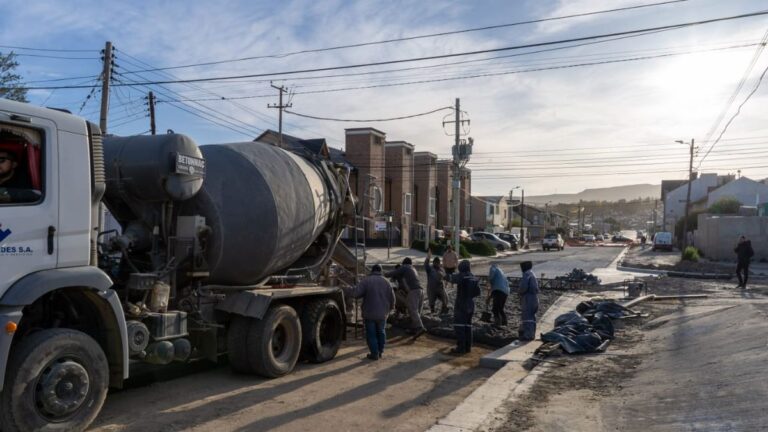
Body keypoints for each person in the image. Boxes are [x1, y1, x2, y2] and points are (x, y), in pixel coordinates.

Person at [345, 264, 396, 360]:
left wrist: (346, 289)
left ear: (372, 271)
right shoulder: (387, 282)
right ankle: (380, 351)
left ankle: (374, 353)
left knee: (371, 334)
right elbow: (393, 298)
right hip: (383, 314)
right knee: (381, 332)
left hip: (370, 313)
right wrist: (390, 309)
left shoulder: (366, 281)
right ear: (380, 271)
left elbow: (356, 293)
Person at [385, 257, 426, 336]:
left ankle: (420, 327)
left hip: (414, 291)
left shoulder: (405, 267)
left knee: (412, 310)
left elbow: (392, 273)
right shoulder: (413, 269)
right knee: (416, 312)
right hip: (421, 291)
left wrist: (383, 274)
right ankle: (414, 328)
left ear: (404, 263)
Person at [449, 260, 481, 354]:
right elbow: (478, 292)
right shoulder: (473, 277)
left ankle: (460, 347)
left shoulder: (462, 276)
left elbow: (451, 278)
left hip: (461, 304)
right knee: (468, 326)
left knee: (459, 325)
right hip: (471, 304)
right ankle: (468, 347)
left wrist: (443, 275)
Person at [518, 261, 540, 341]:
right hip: (534, 298)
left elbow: (523, 287)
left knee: (527, 317)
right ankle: (532, 334)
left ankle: (528, 335)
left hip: (528, 299)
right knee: (532, 317)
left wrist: (519, 292)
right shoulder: (532, 273)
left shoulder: (526, 274)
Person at [424, 249, 450, 315]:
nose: (437, 264)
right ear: (433, 263)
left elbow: (445, 277)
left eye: (438, 263)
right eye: (435, 262)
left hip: (440, 287)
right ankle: (432, 311)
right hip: (431, 288)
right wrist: (428, 257)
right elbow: (426, 264)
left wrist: (444, 279)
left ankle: (444, 309)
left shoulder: (441, 269)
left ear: (439, 263)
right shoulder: (430, 269)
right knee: (431, 300)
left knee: (445, 298)